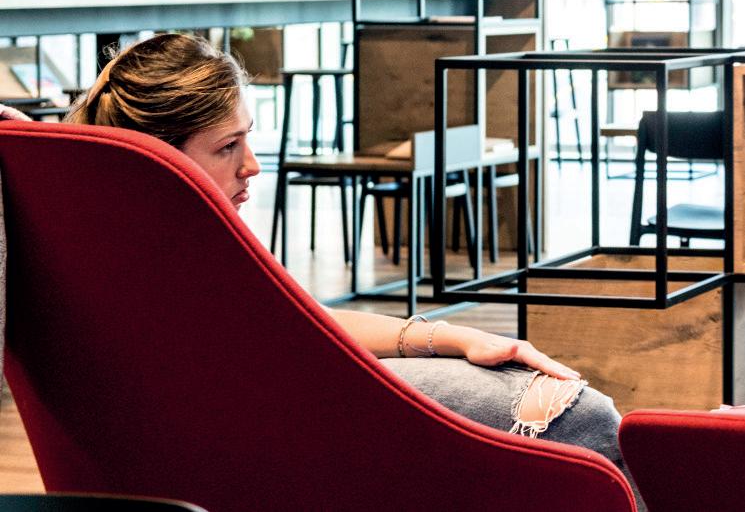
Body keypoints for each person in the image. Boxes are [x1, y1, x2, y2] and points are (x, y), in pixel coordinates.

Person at [52, 33, 625, 461]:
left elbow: (294, 319)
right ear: (158, 155)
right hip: (280, 429)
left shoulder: (120, 239)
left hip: (282, 408)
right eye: (227, 146)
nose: (252, 165)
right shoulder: (162, 262)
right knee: (580, 415)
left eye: (248, 138)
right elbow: (281, 343)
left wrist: (449, 336)